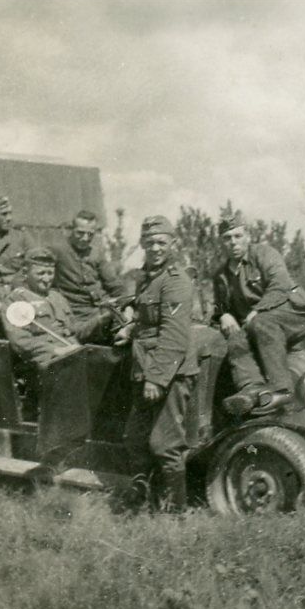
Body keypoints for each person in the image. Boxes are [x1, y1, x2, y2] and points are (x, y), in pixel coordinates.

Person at [114, 215, 197, 512]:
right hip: (145, 368)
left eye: (161, 242)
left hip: (168, 374)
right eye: (149, 243)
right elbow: (149, 321)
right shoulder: (147, 279)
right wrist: (130, 328)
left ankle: (177, 512)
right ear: (142, 245)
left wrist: (157, 379)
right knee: (134, 438)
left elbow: (174, 335)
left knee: (166, 445)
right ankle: (144, 496)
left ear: (173, 244)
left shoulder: (175, 282)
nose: (156, 248)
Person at [212, 214, 305, 415]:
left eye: (237, 236)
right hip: (260, 322)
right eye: (227, 238)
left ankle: (281, 389)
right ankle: (251, 388)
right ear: (221, 242)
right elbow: (219, 306)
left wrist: (257, 311)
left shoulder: (264, 254)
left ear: (247, 236)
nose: (233, 242)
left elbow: (280, 286)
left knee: (261, 323)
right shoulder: (221, 275)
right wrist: (223, 315)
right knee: (235, 336)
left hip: (293, 311)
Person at [2, 247, 90, 368]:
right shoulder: (16, 300)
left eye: (50, 273)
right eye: (41, 273)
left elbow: (75, 329)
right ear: (25, 272)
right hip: (43, 362)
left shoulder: (57, 297)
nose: (46, 279)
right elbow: (20, 342)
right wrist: (56, 351)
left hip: (72, 355)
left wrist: (102, 319)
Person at [51, 210, 128, 342]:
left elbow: (114, 285)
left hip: (103, 310)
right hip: (77, 314)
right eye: (80, 233)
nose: (85, 238)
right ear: (71, 229)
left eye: (90, 234)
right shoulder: (58, 250)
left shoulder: (97, 253)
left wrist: (127, 304)